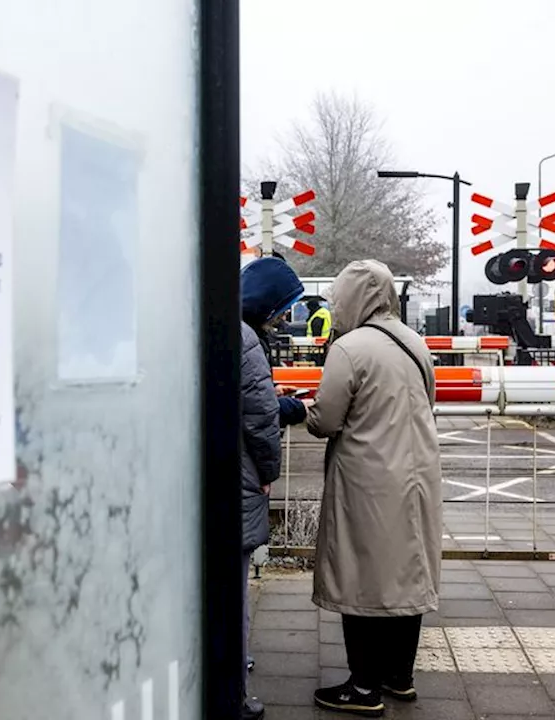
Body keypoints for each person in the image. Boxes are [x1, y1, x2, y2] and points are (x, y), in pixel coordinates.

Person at [303, 260, 441, 718]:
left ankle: (363, 687)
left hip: (367, 478)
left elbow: (325, 421)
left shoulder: (349, 348)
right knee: (407, 572)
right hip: (418, 473)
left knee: (360, 575)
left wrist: (302, 409)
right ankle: (399, 677)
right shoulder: (414, 341)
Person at [238, 257, 305, 720]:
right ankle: (234, 691)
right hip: (238, 472)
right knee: (234, 584)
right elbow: (259, 417)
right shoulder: (246, 340)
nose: (283, 317)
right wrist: (268, 471)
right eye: (280, 308)